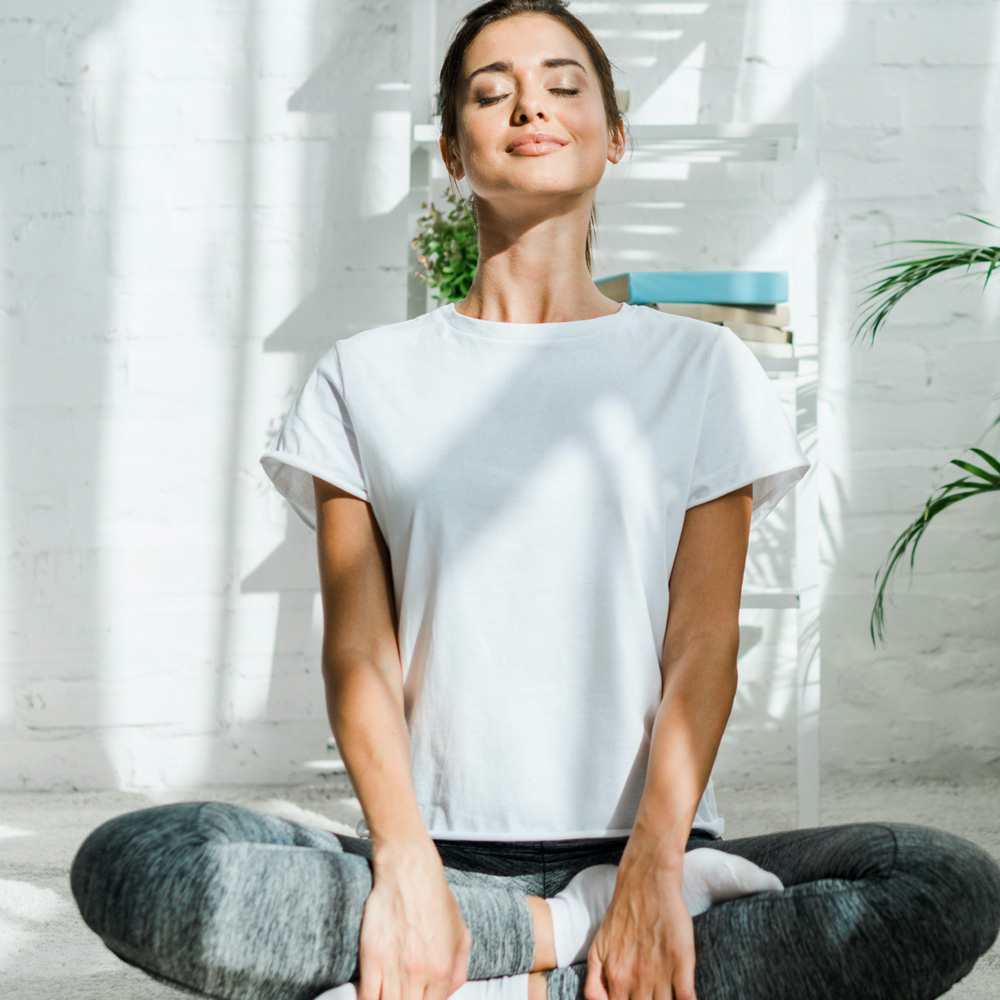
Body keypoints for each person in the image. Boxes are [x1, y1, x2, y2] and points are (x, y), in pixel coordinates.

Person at [70, 3, 1000, 1000]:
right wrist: (408, 867)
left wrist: (648, 870)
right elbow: (359, 653)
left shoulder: (702, 367)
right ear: (451, 148)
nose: (529, 106)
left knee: (943, 882)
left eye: (563, 85)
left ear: (614, 136)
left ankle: (504, 960)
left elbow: (701, 646)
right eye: (489, 90)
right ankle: (566, 940)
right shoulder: (363, 375)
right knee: (139, 861)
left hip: (664, 848)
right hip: (440, 850)